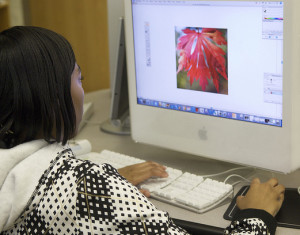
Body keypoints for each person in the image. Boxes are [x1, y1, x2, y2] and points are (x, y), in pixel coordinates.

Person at [0, 26, 284, 235]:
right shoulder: (86, 190)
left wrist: (101, 188)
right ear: (52, 98)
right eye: (78, 76)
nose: (82, 86)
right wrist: (257, 215)